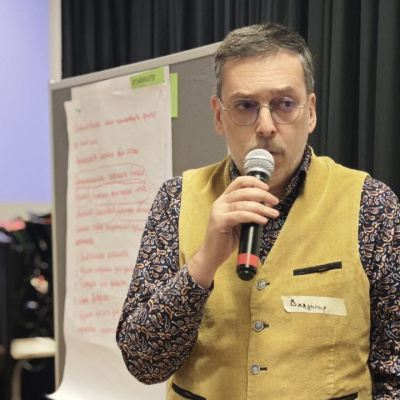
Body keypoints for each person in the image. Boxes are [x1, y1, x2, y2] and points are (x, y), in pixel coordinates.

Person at [116, 22, 400, 400]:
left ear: (310, 112)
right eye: (245, 106)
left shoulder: (372, 204)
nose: (265, 126)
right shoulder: (176, 200)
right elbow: (143, 363)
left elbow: (393, 366)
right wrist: (203, 263)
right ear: (219, 116)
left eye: (284, 104)